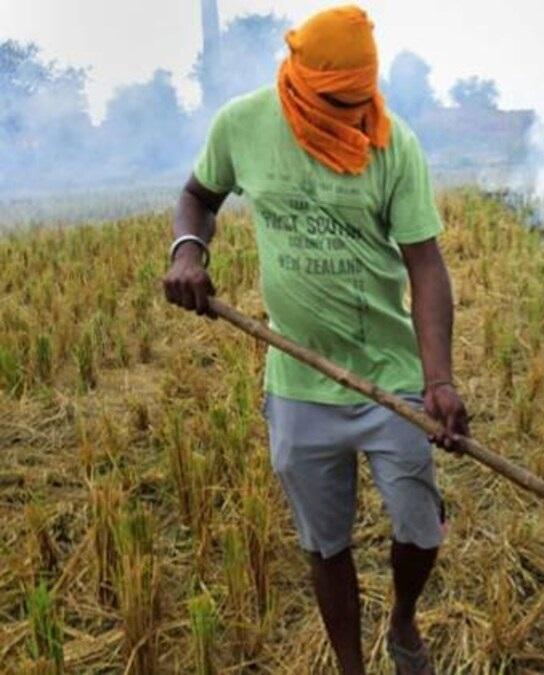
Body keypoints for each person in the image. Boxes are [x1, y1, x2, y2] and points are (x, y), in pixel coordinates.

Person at [161, 6, 467, 674]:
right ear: (299, 82)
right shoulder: (243, 125)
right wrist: (189, 250)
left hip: (390, 377)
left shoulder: (392, 144)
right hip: (299, 386)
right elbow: (198, 196)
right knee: (325, 543)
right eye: (339, 103)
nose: (356, 116)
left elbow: (426, 263)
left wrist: (438, 380)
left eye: (363, 101)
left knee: (419, 527)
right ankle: (351, 666)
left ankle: (404, 619)